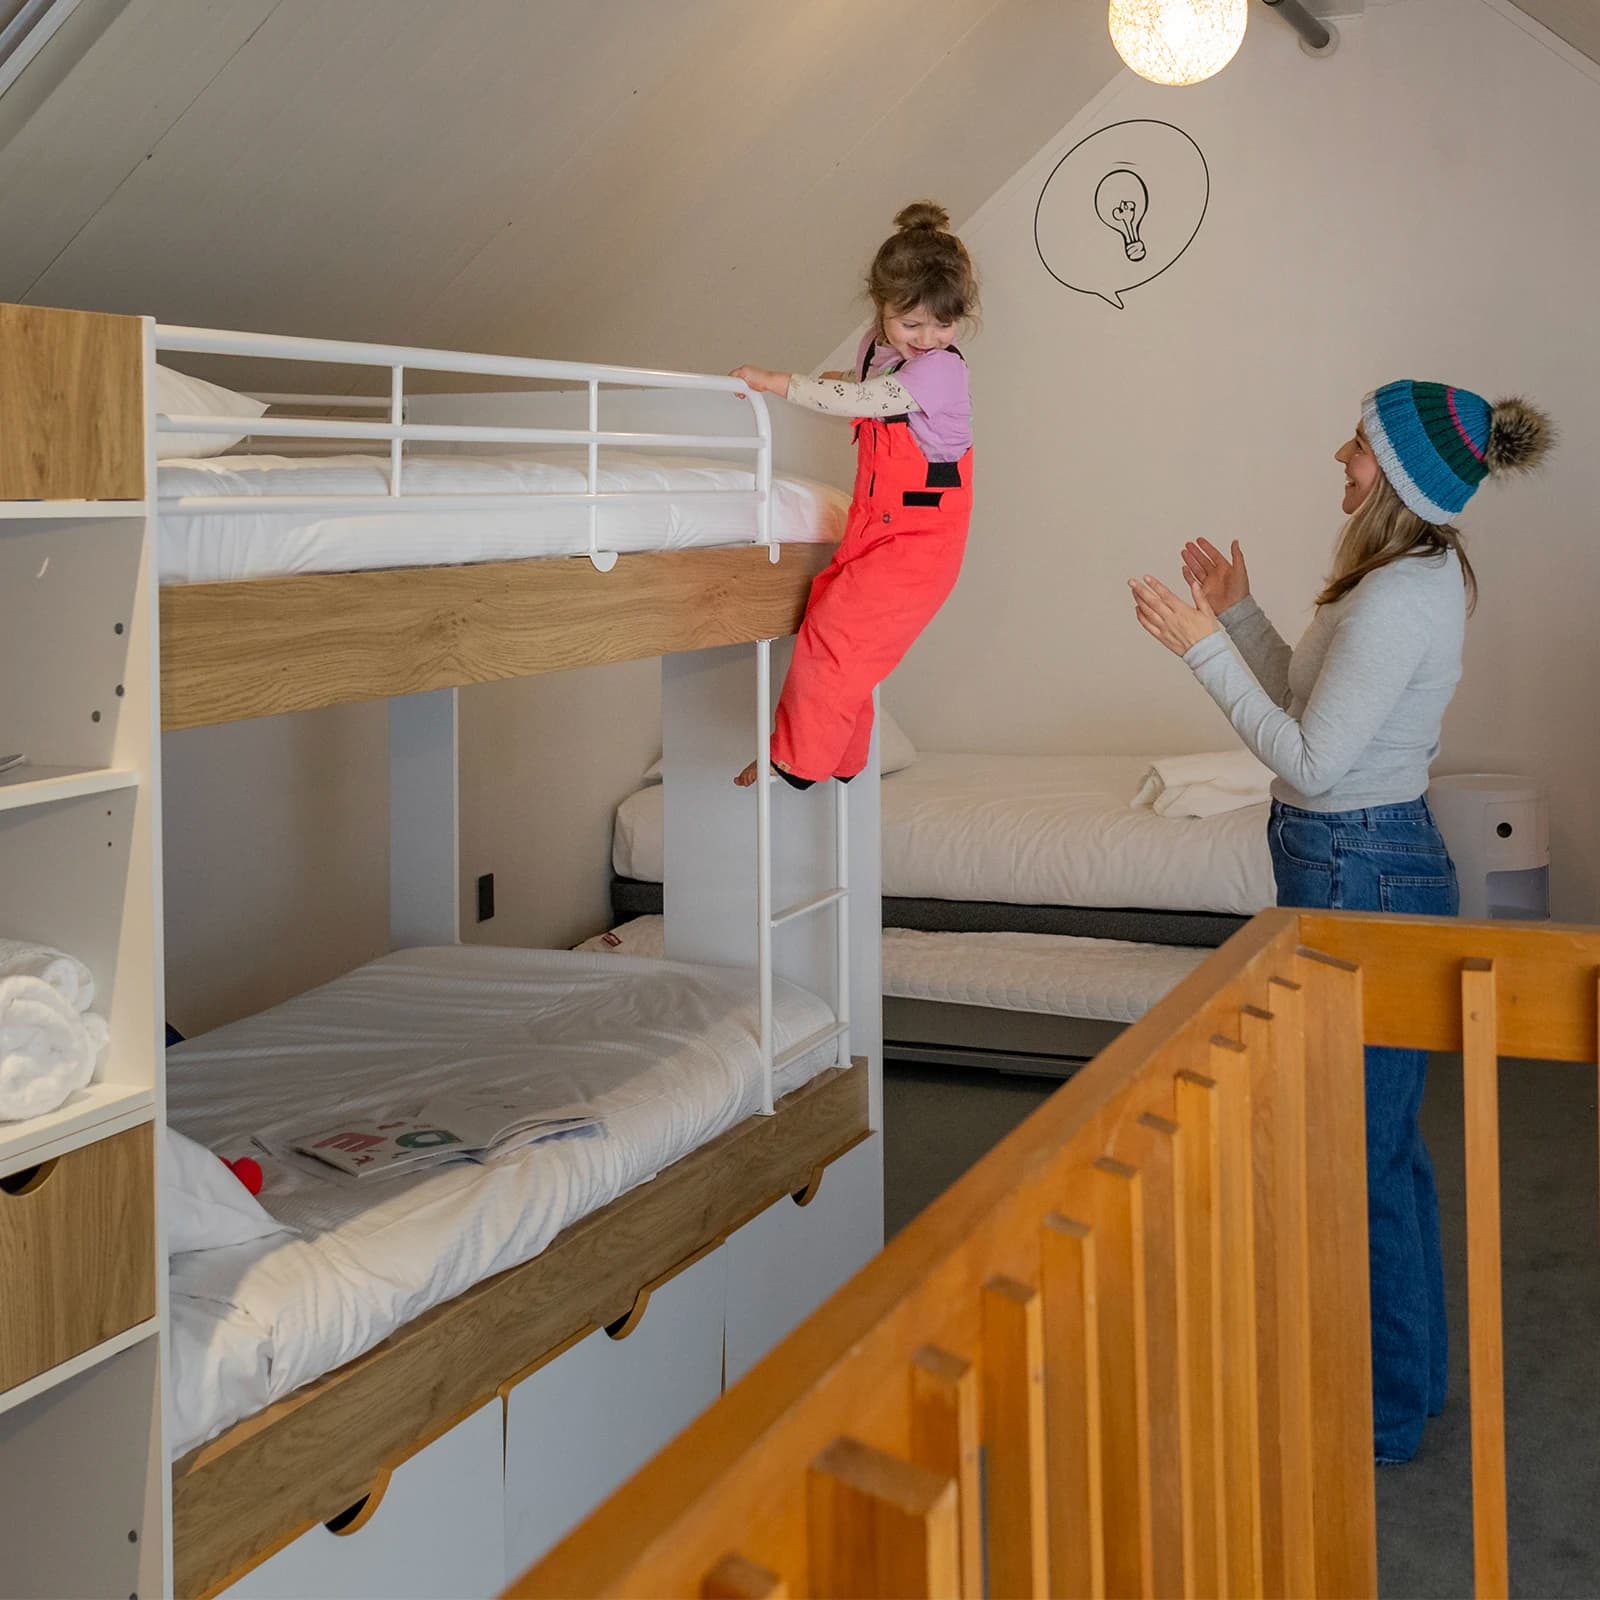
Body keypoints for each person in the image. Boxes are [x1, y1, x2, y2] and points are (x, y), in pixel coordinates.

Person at [1129, 379, 1554, 1462]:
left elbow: (1309, 763)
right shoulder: (1390, 579)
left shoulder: (1401, 597)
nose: (1340, 457)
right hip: (1355, 859)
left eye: (1358, 447)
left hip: (1357, 865)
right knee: (1383, 1152)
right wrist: (1234, 612)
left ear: (1399, 475)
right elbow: (1309, 706)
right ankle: (1407, 1392)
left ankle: (1381, 1414)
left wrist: (1196, 649)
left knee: (1361, 1155)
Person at [729, 201, 977, 789]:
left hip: (921, 542)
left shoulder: (941, 369)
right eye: (910, 323)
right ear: (881, 307)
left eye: (943, 325)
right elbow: (858, 386)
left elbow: (859, 402)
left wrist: (774, 382)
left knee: (835, 639)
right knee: (832, 621)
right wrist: (809, 385)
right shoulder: (879, 348)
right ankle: (839, 756)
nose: (927, 339)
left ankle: (795, 760)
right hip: (875, 525)